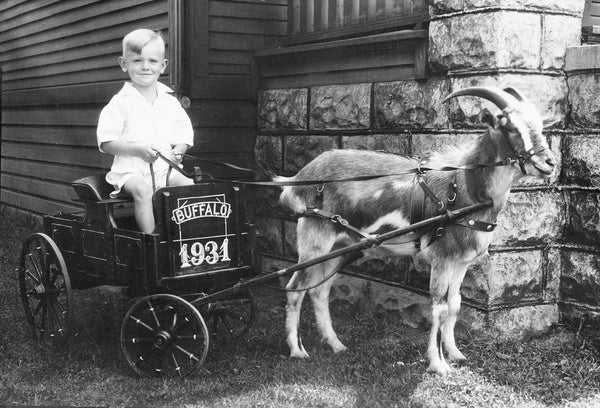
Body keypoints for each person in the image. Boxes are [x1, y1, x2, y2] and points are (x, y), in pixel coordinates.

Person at [97, 29, 194, 233]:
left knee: (186, 184)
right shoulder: (119, 103)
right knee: (143, 189)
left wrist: (179, 150)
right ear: (124, 64)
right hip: (130, 171)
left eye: (152, 61)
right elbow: (106, 142)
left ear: (163, 65)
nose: (145, 67)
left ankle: (182, 238)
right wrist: (139, 151)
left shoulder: (169, 102)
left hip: (164, 169)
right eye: (137, 61)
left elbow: (184, 134)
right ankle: (152, 243)